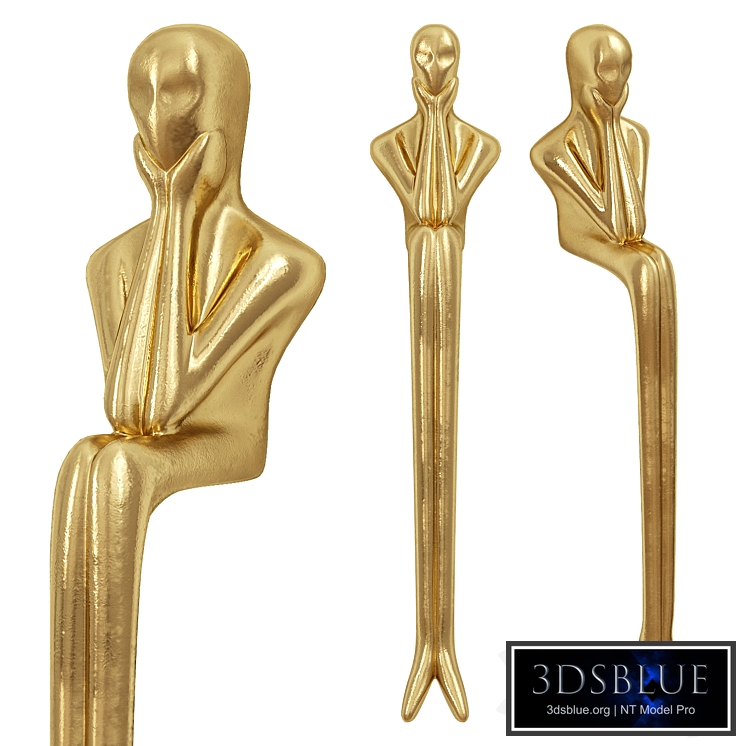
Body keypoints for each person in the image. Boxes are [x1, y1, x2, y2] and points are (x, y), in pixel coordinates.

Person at [51, 25, 325, 746]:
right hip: (156, 423)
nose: (156, 118)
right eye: (139, 95)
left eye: (178, 93)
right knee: (85, 459)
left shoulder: (284, 264)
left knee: (117, 468)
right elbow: (129, 407)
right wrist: (167, 214)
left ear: (226, 109)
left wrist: (174, 210)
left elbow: (167, 403)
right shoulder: (109, 263)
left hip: (228, 441)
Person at [371, 24, 500, 722]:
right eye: (424, 54)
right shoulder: (390, 147)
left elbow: (442, 211)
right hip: (424, 288)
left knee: (444, 451)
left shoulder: (480, 147)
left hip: (445, 285)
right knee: (425, 454)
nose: (434, 65)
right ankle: (428, 643)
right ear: (410, 62)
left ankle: (441, 643)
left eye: (444, 54)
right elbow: (426, 211)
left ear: (458, 62)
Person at [531, 24, 676, 642]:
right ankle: (653, 626)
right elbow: (601, 227)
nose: (617, 83)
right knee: (647, 270)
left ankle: (659, 629)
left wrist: (614, 127)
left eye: (624, 70)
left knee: (657, 266)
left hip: (625, 245)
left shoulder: (634, 137)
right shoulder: (550, 151)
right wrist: (603, 124)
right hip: (588, 245)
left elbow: (631, 223)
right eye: (606, 72)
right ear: (581, 77)